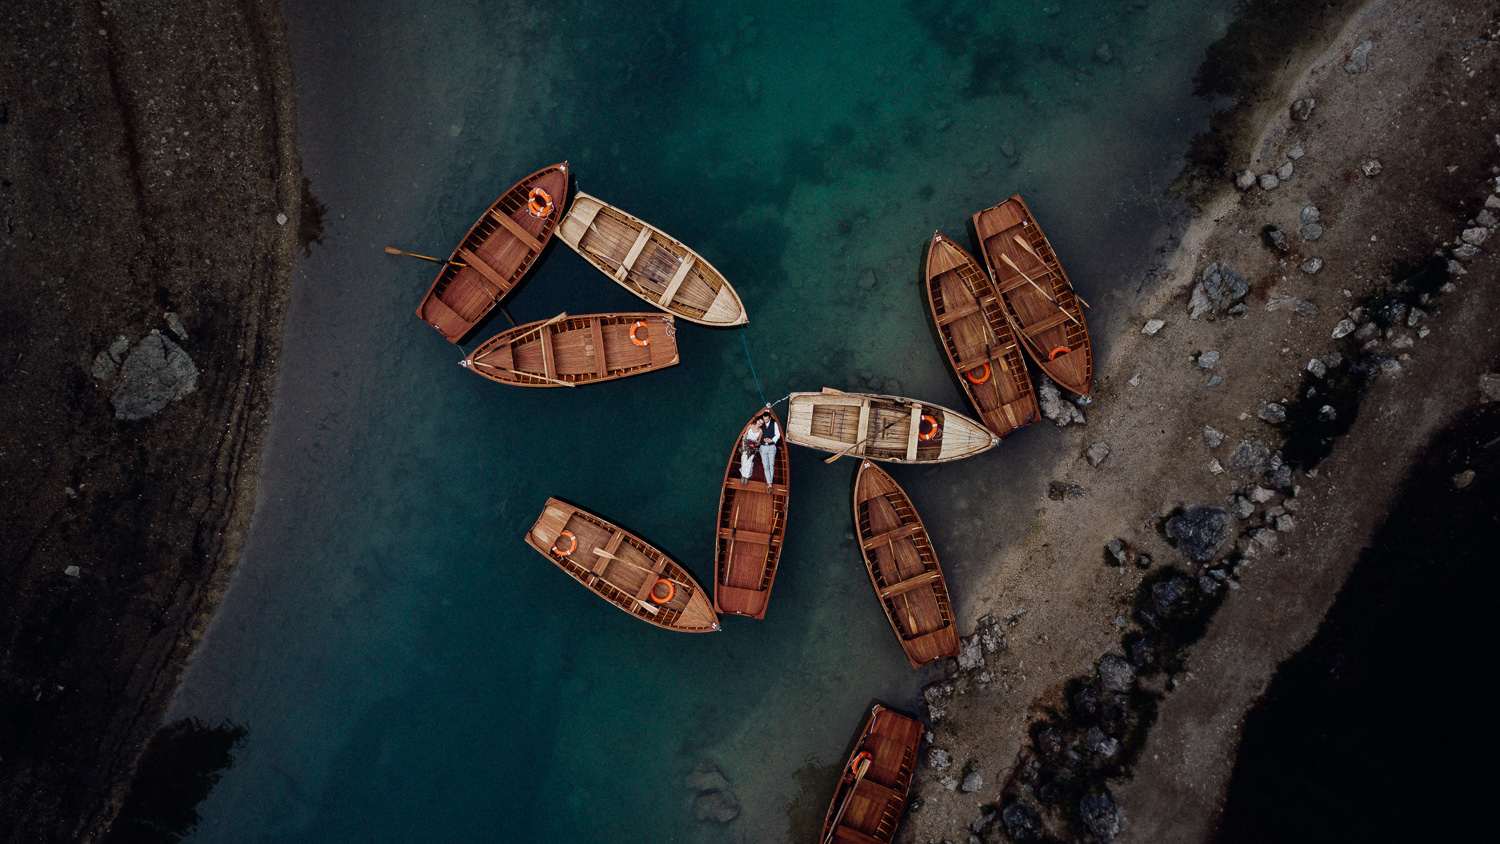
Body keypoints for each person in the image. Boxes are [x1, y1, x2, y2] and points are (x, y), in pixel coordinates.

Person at [757, 412, 780, 491]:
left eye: (766, 419)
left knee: (771, 465)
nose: (765, 421)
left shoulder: (774, 424)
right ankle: (769, 483)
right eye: (764, 419)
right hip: (763, 447)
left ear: (770, 418)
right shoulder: (762, 424)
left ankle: (769, 483)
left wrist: (772, 440)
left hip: (771, 447)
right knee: (765, 466)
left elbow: (777, 434)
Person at [739, 418, 763, 483]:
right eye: (759, 421)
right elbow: (745, 436)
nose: (759, 423)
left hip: (753, 447)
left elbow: (758, 441)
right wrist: (743, 445)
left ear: (761, 425)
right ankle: (743, 475)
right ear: (757, 421)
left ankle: (746, 476)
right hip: (746, 444)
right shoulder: (750, 426)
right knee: (744, 460)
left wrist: (754, 445)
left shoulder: (760, 431)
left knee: (749, 461)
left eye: (761, 423)